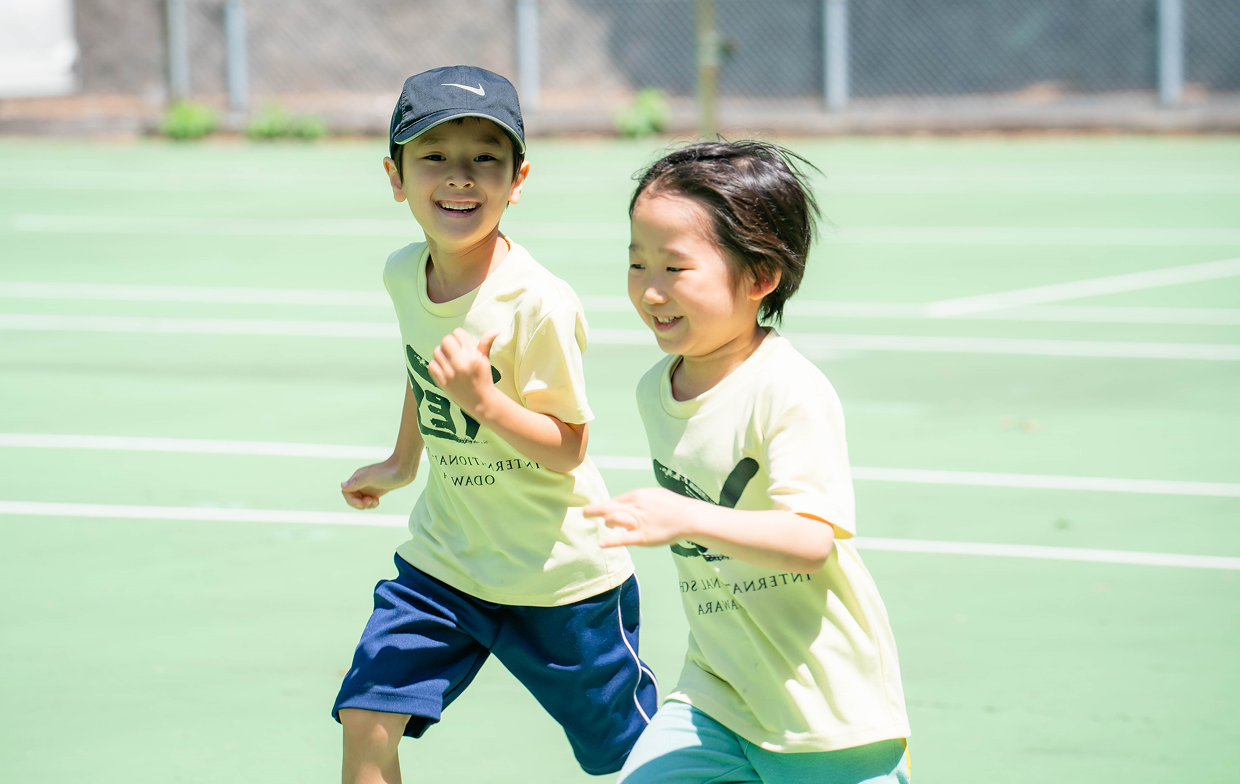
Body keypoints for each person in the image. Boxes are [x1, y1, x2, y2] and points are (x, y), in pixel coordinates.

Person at [332, 65, 657, 784]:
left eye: (485, 158)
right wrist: (400, 463)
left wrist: (487, 403)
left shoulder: (537, 301)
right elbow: (427, 370)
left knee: (632, 759)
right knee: (368, 710)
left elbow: (568, 447)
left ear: (518, 179)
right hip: (445, 563)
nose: (460, 177)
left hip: (561, 580)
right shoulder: (403, 274)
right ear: (395, 175)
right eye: (434, 157)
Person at [585, 141, 911, 784]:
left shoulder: (786, 390)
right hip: (717, 694)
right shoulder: (659, 388)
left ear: (760, 277)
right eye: (636, 263)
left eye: (675, 268)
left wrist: (684, 517)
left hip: (825, 712)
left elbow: (809, 538)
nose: (650, 291)